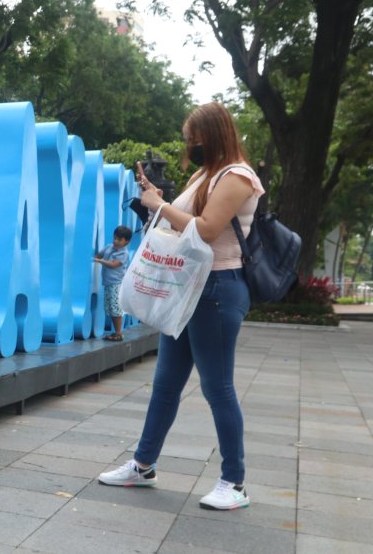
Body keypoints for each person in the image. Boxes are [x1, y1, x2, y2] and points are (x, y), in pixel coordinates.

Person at [97, 102, 264, 511]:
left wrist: (160, 205)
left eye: (194, 139)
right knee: (165, 384)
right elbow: (178, 225)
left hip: (219, 288)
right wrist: (151, 201)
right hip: (188, 287)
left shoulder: (237, 176)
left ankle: (234, 481)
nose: (191, 145)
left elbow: (206, 230)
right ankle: (143, 464)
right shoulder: (204, 174)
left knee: (217, 386)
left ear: (214, 135)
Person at [94, 225, 133, 341]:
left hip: (116, 284)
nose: (116, 241)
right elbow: (99, 255)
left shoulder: (123, 253)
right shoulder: (109, 247)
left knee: (116, 308)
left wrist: (99, 261)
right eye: (115, 238)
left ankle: (118, 332)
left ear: (126, 241)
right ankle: (116, 332)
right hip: (108, 283)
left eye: (119, 239)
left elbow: (113, 265)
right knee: (110, 307)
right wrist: (96, 258)